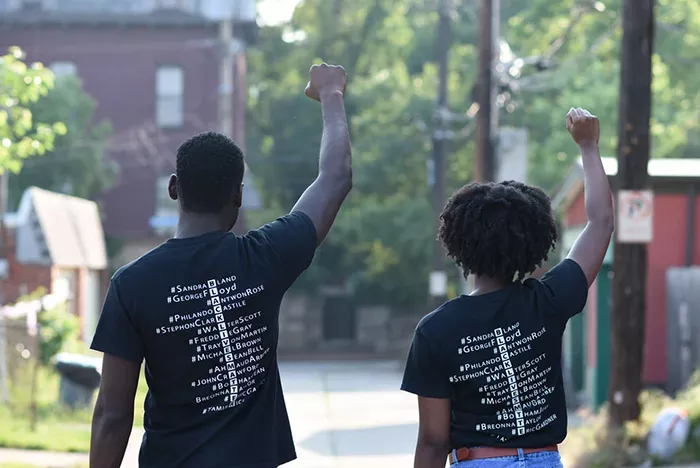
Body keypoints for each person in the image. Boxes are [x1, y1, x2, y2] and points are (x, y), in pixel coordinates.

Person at [89, 63, 351, 468]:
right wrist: (331, 93)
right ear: (238, 197)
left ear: (174, 188)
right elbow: (335, 177)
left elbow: (112, 414)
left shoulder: (131, 284)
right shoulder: (266, 257)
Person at [401, 108, 614, 468]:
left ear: (458, 244)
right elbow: (601, 223)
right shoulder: (548, 300)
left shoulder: (435, 330)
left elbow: (434, 442)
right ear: (533, 242)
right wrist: (589, 146)